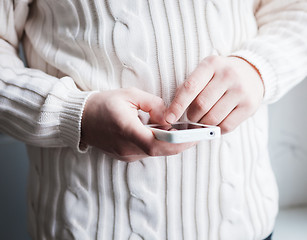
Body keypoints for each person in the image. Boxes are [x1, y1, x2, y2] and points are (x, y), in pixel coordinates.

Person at [0, 0, 306, 239]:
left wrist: (258, 69)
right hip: (87, 227)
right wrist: (76, 113)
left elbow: (296, 11)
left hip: (243, 222)